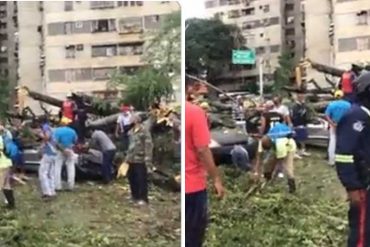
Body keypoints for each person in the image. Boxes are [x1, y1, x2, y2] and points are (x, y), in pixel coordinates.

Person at [185, 78, 225, 247]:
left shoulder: (175, 114)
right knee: (193, 236)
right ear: (188, 88)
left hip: (182, 182)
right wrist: (216, 178)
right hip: (193, 186)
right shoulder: (195, 112)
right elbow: (202, 149)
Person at [335, 72, 370, 247]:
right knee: (362, 234)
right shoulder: (356, 116)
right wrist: (353, 186)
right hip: (362, 186)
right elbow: (344, 155)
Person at [254, 123, 297, 193]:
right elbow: (259, 157)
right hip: (276, 147)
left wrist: (273, 174)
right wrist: (256, 172)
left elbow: (279, 162)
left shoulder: (279, 144)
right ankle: (266, 180)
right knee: (267, 163)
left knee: (288, 168)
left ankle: (292, 189)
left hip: (289, 147)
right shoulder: (262, 142)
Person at [124, 114, 153, 206]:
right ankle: (134, 196)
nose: (130, 119)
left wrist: (148, 160)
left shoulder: (144, 131)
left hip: (140, 159)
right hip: (131, 158)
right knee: (132, 178)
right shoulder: (131, 132)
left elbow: (148, 146)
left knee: (141, 179)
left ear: (136, 120)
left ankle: (143, 198)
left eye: (132, 118)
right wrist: (126, 158)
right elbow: (130, 146)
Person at [324, 90, 351, 166]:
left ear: (335, 96)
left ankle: (332, 161)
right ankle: (344, 160)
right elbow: (350, 115)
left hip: (334, 125)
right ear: (343, 96)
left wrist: (332, 123)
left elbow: (326, 115)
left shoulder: (331, 104)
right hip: (345, 125)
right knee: (344, 142)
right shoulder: (348, 105)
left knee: (333, 142)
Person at [53, 117, 78, 191]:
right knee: (71, 167)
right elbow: (75, 141)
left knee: (57, 167)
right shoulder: (72, 131)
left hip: (60, 150)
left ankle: (57, 186)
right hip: (69, 149)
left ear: (61, 123)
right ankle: (71, 185)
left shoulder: (57, 131)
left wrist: (62, 149)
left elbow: (55, 142)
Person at [38, 116, 57, 199]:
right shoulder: (51, 128)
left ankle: (47, 192)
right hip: (54, 153)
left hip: (48, 153)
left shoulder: (45, 127)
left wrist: (41, 135)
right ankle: (52, 191)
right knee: (50, 173)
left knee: (43, 172)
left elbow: (47, 137)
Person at [290, 91, 311, 159]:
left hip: (303, 123)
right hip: (297, 124)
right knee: (297, 138)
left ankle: (303, 150)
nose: (303, 99)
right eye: (302, 97)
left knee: (303, 137)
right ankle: (295, 152)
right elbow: (294, 115)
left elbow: (306, 113)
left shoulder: (303, 105)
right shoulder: (295, 106)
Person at [0, 135, 15, 209]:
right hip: (6, 163)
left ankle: (11, 204)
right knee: (6, 185)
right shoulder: (1, 137)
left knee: (2, 184)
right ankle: (11, 204)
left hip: (2, 165)